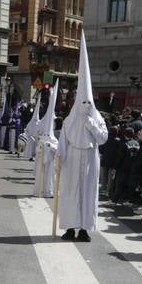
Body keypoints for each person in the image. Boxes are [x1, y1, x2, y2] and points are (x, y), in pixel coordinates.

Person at [57, 41, 109, 242]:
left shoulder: (97, 119)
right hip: (72, 159)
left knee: (87, 194)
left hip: (89, 159)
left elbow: (103, 139)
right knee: (70, 193)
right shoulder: (69, 120)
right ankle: (70, 228)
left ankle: (85, 229)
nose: (85, 105)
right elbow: (63, 140)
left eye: (89, 103)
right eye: (82, 102)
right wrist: (59, 158)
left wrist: (90, 123)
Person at [31, 82, 59, 198]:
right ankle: (39, 191)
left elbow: (57, 150)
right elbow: (37, 150)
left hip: (51, 164)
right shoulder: (42, 138)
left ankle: (49, 191)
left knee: (50, 178)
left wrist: (50, 147)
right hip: (42, 163)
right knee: (40, 176)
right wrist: (42, 147)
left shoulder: (54, 139)